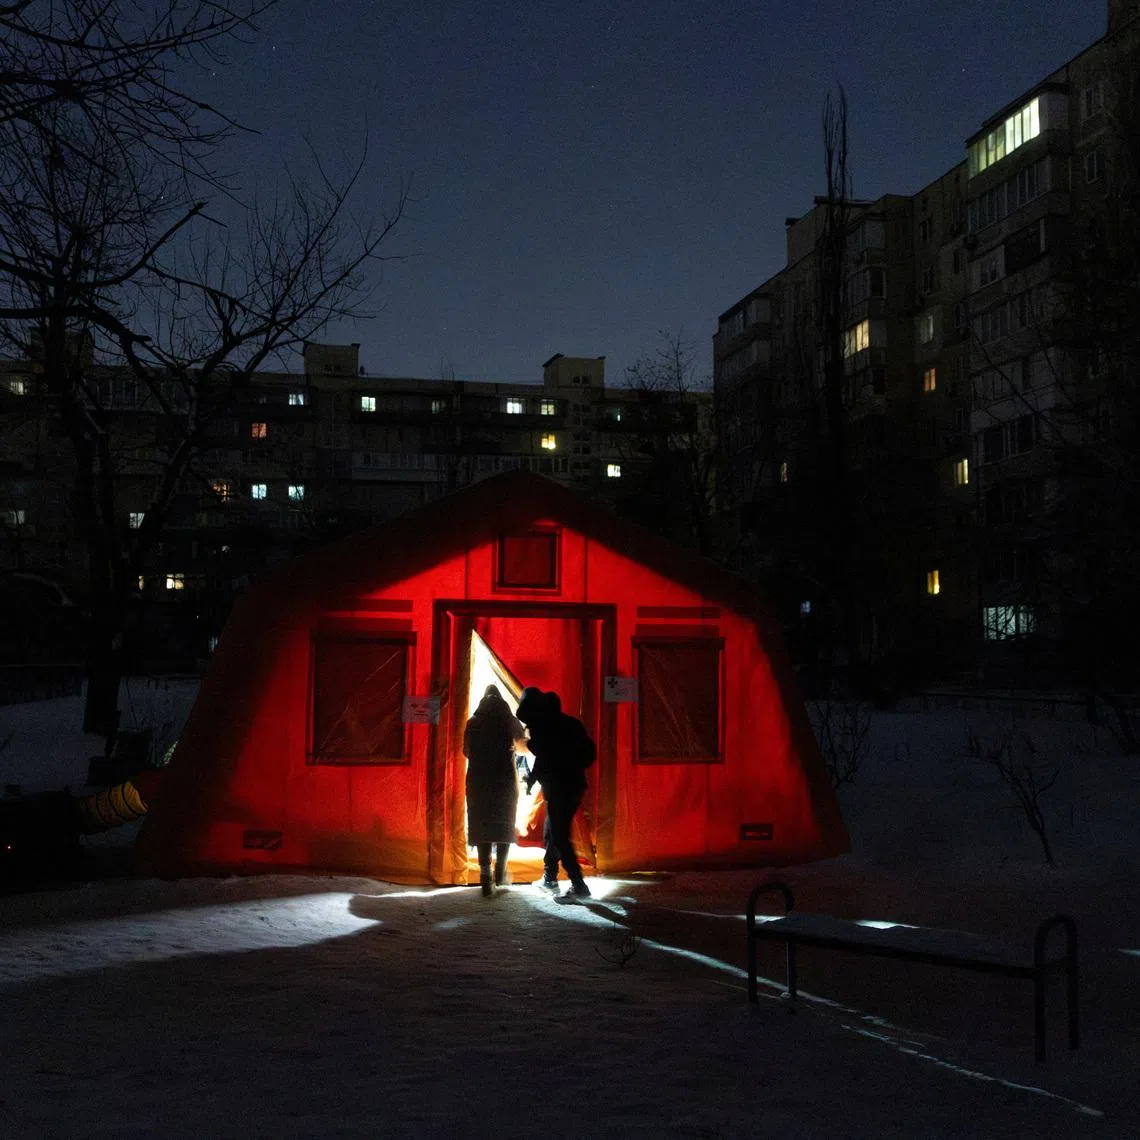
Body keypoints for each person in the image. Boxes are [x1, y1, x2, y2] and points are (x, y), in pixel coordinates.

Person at [516, 686, 596, 902]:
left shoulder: (545, 729)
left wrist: (532, 779)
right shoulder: (569, 723)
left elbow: (543, 757)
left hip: (559, 788)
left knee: (559, 836)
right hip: (574, 785)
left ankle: (578, 884)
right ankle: (550, 876)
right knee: (552, 830)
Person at [463, 684, 527, 896]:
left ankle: (484, 873)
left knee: (481, 823)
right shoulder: (510, 721)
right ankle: (501, 872)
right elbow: (523, 747)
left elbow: (466, 751)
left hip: (478, 780)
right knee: (504, 822)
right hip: (504, 780)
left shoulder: (472, 723)